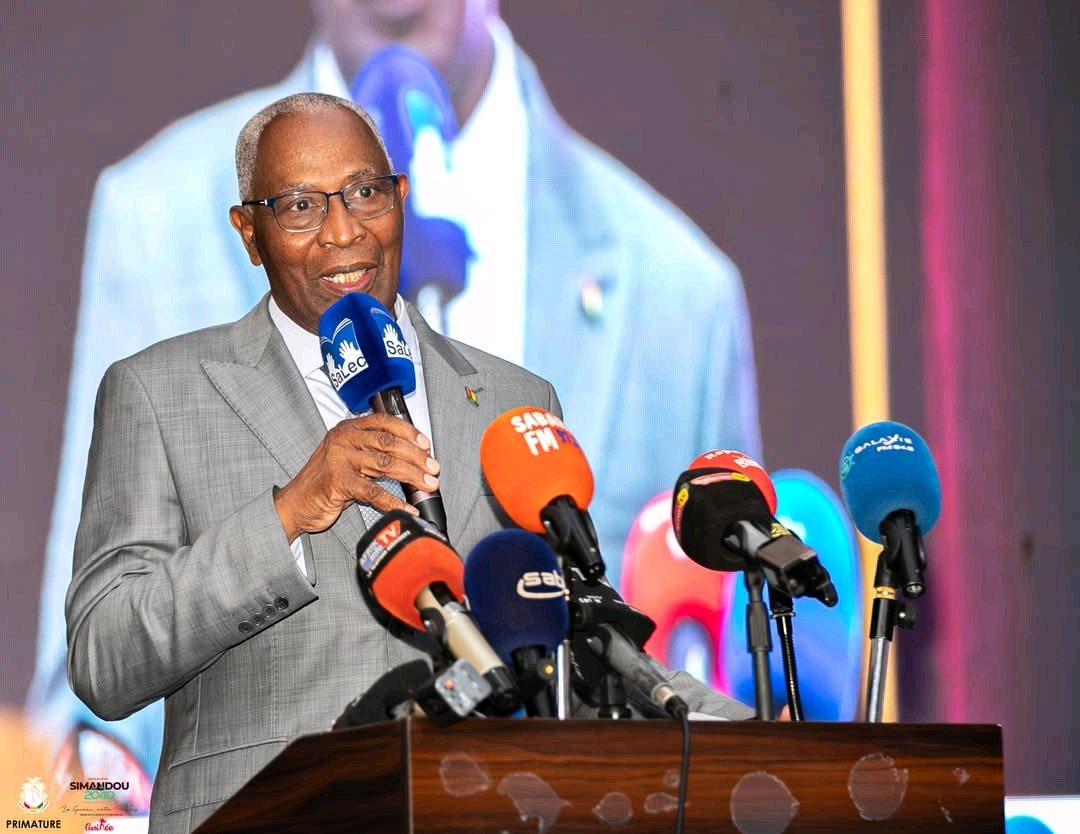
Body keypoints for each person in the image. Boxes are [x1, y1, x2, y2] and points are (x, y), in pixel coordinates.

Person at [31, 0, 759, 791]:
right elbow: (94, 681)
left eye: (366, 196)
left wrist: (762, 746)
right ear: (249, 231)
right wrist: (287, 516)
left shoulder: (675, 295)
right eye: (302, 206)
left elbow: (618, 648)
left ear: (400, 198)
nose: (342, 232)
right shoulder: (152, 223)